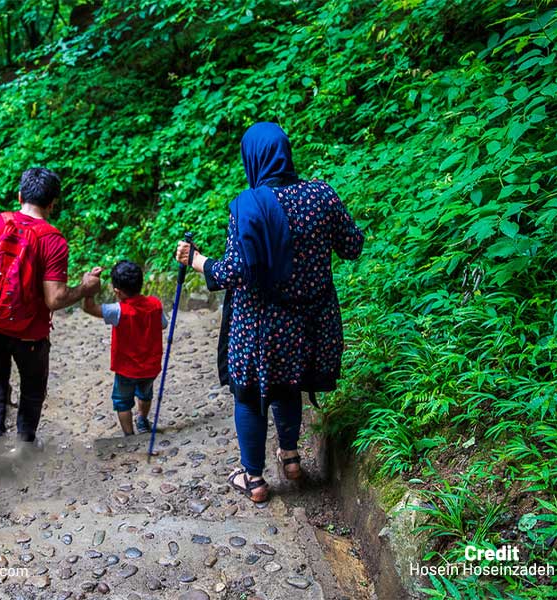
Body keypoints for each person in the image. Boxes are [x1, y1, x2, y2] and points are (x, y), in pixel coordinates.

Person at [176, 122, 364, 502]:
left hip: (262, 325)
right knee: (289, 382)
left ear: (252, 158)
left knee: (249, 394)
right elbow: (352, 245)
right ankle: (291, 458)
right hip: (313, 320)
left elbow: (232, 272)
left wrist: (196, 260)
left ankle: (254, 479)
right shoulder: (321, 195)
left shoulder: (249, 206)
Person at [0, 167, 100, 448]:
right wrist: (84, 289)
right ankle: (24, 446)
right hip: (29, 333)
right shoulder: (53, 240)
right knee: (32, 389)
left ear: (20, 196)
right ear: (53, 203)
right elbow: (54, 299)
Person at [82, 261, 167, 436]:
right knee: (145, 394)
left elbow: (88, 308)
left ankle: (129, 435)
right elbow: (163, 325)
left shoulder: (118, 310)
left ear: (117, 291)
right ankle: (142, 420)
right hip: (150, 367)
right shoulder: (155, 304)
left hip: (126, 370)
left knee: (122, 402)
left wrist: (90, 287)